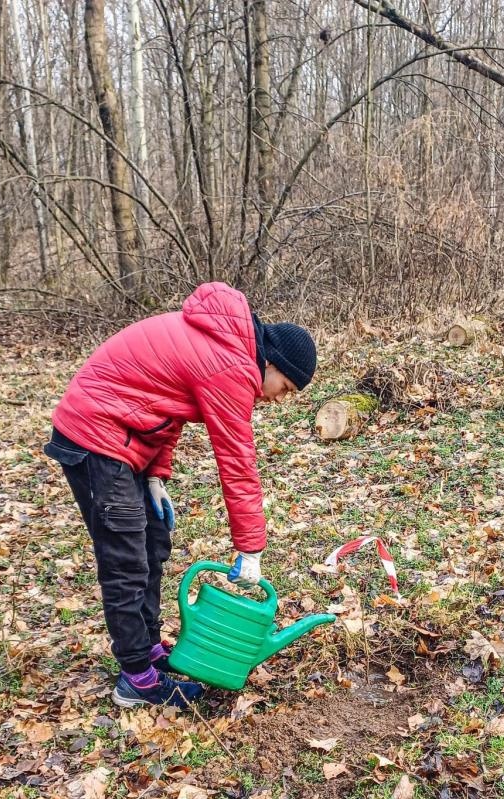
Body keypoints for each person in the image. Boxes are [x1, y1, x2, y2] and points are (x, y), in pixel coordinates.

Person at [44, 281, 317, 710]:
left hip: (123, 436)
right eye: (285, 388)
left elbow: (165, 401)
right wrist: (250, 548)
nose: (279, 399)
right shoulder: (232, 365)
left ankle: (149, 648)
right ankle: (136, 680)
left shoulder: (224, 346)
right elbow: (237, 462)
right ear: (272, 363)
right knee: (126, 561)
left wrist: (156, 475)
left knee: (153, 542)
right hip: (95, 436)